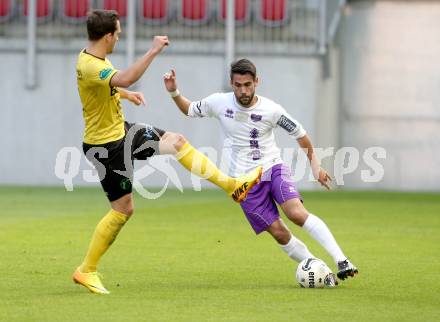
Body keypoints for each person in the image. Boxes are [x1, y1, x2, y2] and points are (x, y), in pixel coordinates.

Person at [72, 10, 262, 295]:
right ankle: (86, 270)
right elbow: (124, 78)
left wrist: (125, 96)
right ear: (108, 35)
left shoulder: (92, 58)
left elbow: (106, 88)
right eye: (118, 34)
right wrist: (153, 51)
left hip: (122, 133)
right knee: (123, 209)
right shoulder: (89, 64)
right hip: (106, 148)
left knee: (177, 142)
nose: (119, 38)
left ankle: (233, 186)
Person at [163, 58, 358, 282]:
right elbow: (189, 109)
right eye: (238, 85)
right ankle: (321, 270)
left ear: (257, 82)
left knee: (295, 213)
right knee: (279, 233)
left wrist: (315, 166)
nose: (243, 91)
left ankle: (342, 260)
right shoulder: (219, 102)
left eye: (248, 85)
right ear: (231, 83)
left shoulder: (272, 110)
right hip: (243, 183)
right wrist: (174, 91)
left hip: (273, 168)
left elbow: (300, 135)